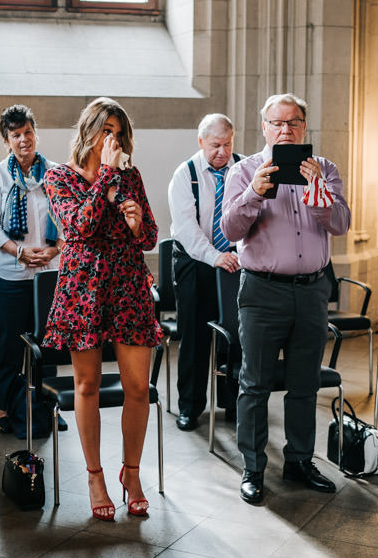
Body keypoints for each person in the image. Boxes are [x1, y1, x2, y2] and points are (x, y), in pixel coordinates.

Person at [221, 93, 351, 502]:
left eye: (293, 122)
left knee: (304, 384)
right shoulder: (244, 171)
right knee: (255, 384)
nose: (285, 130)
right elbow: (231, 229)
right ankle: (253, 468)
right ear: (264, 127)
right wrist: (255, 193)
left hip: (313, 290)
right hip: (262, 290)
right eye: (277, 123)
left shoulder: (324, 169)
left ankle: (298, 461)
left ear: (304, 127)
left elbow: (342, 224)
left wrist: (319, 195)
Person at [42, 97, 162, 521]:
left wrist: (135, 223)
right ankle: (95, 476)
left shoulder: (131, 177)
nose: (113, 138)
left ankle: (131, 472)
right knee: (87, 385)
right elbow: (78, 226)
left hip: (129, 285)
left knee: (137, 388)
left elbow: (149, 236)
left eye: (118, 132)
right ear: (88, 132)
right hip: (84, 289)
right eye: (105, 130)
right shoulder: (59, 177)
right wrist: (107, 177)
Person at [0, 104, 60, 434]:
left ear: (35, 134)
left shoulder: (55, 173)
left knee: (49, 343)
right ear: (6, 140)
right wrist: (21, 252)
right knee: (10, 347)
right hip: (9, 274)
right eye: (16, 135)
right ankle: (6, 410)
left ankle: (47, 407)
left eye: (28, 132)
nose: (24, 139)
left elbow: (68, 221)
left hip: (48, 273)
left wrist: (54, 249)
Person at [167, 113, 241, 431]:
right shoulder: (185, 174)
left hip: (236, 262)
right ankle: (190, 407)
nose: (222, 152)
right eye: (215, 145)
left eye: (227, 144)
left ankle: (233, 404)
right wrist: (215, 257)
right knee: (196, 337)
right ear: (201, 142)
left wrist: (233, 256)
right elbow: (186, 229)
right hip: (195, 263)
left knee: (236, 337)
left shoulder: (245, 168)